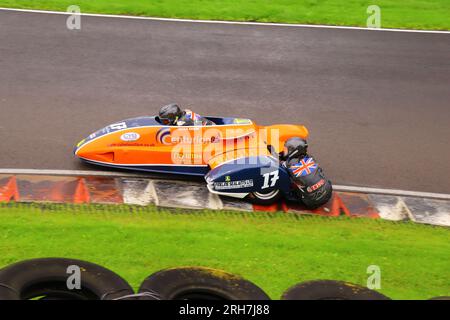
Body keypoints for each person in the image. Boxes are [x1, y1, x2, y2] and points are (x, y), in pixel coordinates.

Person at [280, 137, 332, 209]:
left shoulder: (289, 165)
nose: (284, 151)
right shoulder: (310, 158)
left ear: (293, 150)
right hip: (328, 191)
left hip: (312, 201)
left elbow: (279, 166)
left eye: (286, 149)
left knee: (283, 179)